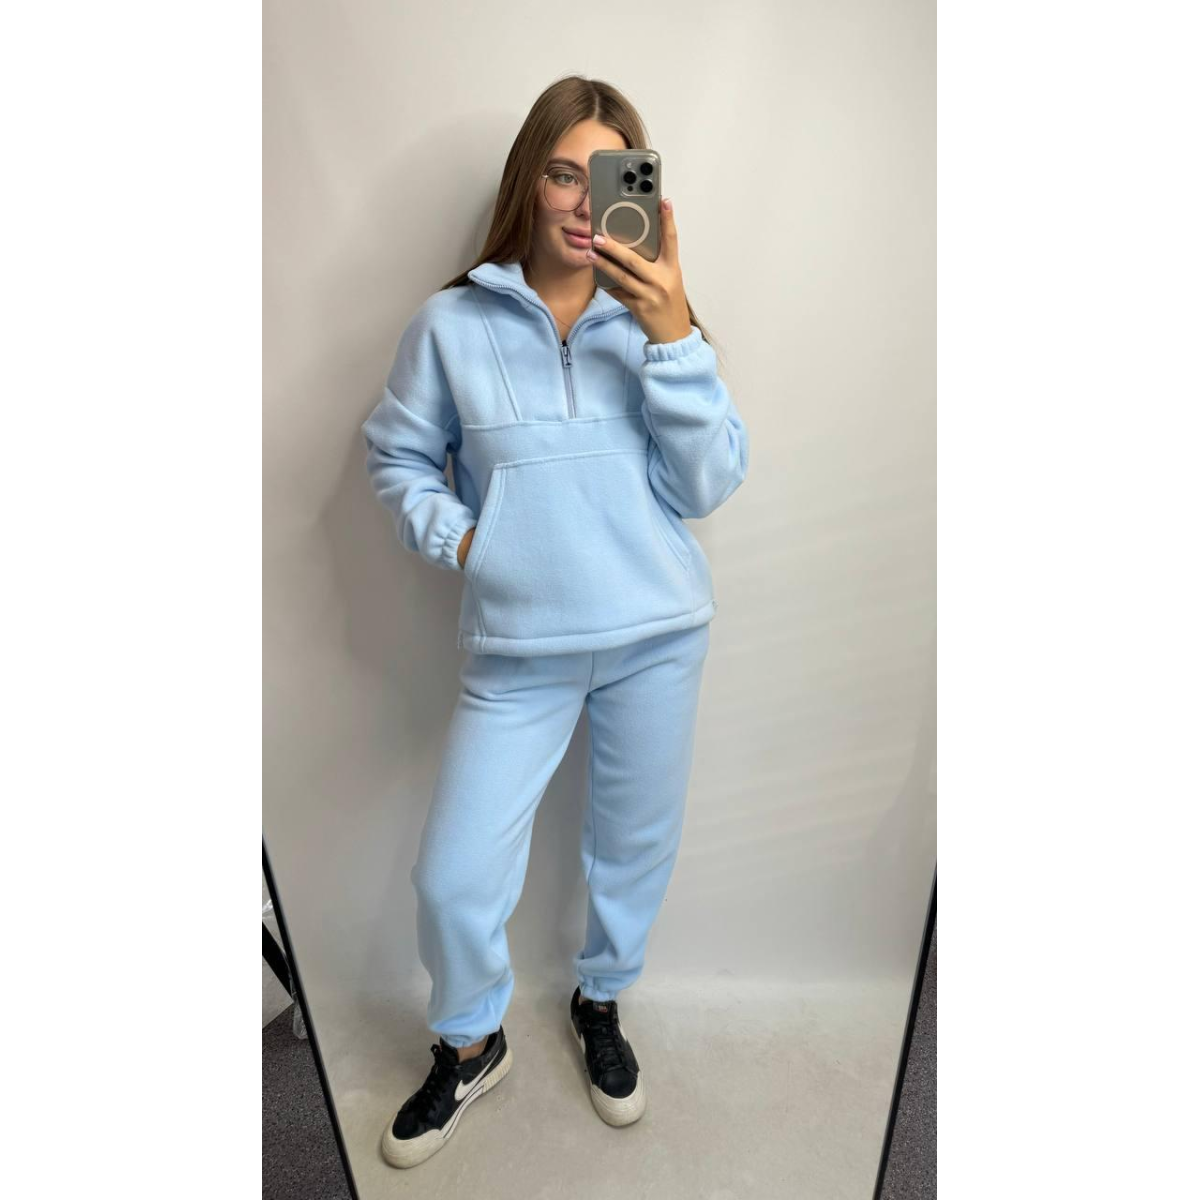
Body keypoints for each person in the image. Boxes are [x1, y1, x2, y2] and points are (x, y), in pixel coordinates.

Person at [361, 75, 749, 1169]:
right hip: (518, 650)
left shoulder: (658, 321)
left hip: (656, 635)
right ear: (529, 183)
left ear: (642, 191)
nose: (585, 201)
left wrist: (672, 335)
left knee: (633, 846)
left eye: (610, 176)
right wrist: (468, 542)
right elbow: (396, 457)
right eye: (564, 173)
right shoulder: (450, 324)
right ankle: (471, 1041)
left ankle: (601, 1000)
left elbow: (710, 483)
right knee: (453, 876)